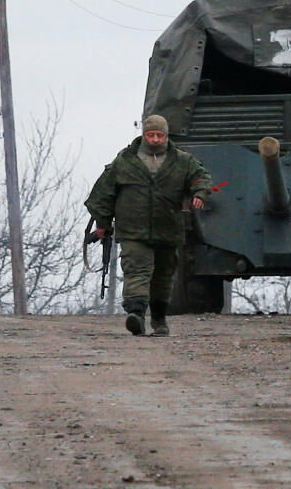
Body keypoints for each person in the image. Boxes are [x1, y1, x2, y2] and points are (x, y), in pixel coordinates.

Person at [85, 114, 213, 336]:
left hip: (168, 229)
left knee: (163, 275)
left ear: (166, 136)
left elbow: (200, 177)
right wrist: (102, 224)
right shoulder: (125, 161)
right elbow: (103, 194)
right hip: (133, 230)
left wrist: (200, 193)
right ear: (144, 135)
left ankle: (159, 319)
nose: (155, 139)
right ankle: (136, 313)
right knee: (137, 270)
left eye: (159, 135)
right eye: (151, 135)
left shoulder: (182, 161)